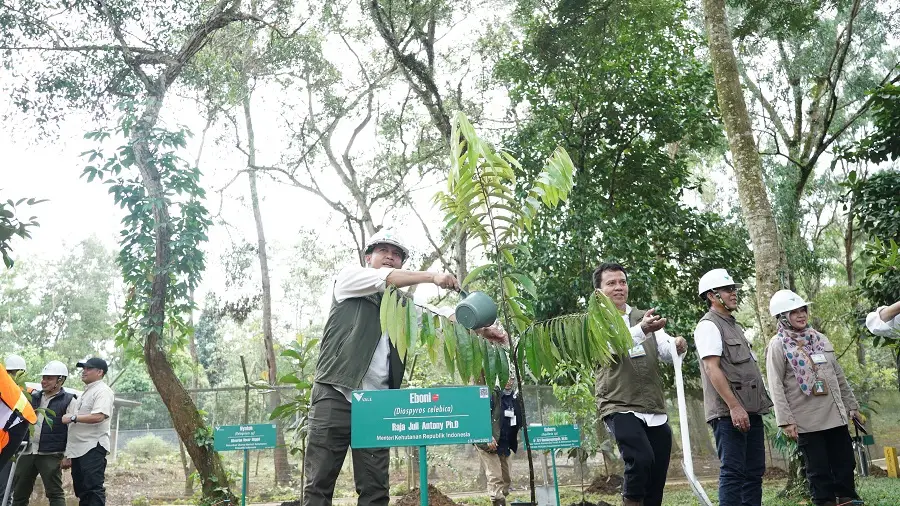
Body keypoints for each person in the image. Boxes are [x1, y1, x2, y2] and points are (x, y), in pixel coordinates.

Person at [303, 229, 507, 506]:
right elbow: (384, 278)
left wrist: (482, 330)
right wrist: (432, 277)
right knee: (318, 484)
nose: (390, 257)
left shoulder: (402, 304)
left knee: (375, 490)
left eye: (396, 254)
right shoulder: (349, 278)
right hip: (335, 393)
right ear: (368, 257)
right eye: (383, 251)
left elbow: (440, 316)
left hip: (376, 405)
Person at [592, 263, 687, 506]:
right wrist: (641, 330)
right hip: (619, 403)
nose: (619, 287)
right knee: (640, 458)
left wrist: (677, 345)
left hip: (652, 405)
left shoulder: (644, 316)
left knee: (657, 468)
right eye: (611, 283)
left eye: (622, 282)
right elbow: (611, 348)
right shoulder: (594, 322)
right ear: (599, 291)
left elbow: (664, 350)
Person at [765, 290, 861, 506]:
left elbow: (838, 375)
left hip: (834, 414)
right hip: (806, 420)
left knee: (845, 463)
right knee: (818, 469)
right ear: (782, 317)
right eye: (794, 312)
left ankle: (846, 500)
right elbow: (775, 384)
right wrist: (785, 420)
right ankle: (824, 502)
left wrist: (851, 405)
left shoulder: (819, 338)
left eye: (803, 310)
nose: (801, 315)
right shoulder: (778, 344)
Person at [694, 268, 772, 506]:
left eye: (734, 289)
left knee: (754, 471)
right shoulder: (709, 325)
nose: (733, 293)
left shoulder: (734, 325)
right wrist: (734, 407)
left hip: (750, 409)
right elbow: (712, 369)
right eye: (727, 289)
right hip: (729, 413)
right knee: (734, 471)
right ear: (711, 295)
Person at [11, 361, 75, 506]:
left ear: (60, 380)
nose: (44, 381)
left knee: (55, 494)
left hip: (51, 453)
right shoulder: (33, 397)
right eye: (43, 377)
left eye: (49, 378)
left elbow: (72, 430)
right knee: (19, 493)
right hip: (27, 451)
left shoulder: (69, 400)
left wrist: (68, 455)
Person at [62, 358, 113, 506]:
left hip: (92, 447)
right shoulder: (86, 392)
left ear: (100, 372)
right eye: (83, 368)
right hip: (79, 449)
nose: (84, 371)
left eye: (88, 368)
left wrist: (73, 417)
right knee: (82, 491)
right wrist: (68, 453)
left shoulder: (103, 391)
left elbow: (99, 416)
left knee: (93, 489)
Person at [475, 375, 524, 506]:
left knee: (506, 479)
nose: (508, 381)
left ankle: (501, 498)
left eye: (511, 378)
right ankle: (497, 501)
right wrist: (487, 436)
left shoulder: (514, 397)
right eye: (506, 376)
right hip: (488, 442)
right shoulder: (492, 394)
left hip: (504, 443)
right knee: (495, 477)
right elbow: (479, 415)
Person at [2, 355, 34, 506]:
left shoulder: (28, 395)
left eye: (14, 372)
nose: (11, 376)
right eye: (9, 372)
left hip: (11, 445)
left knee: (4, 490)